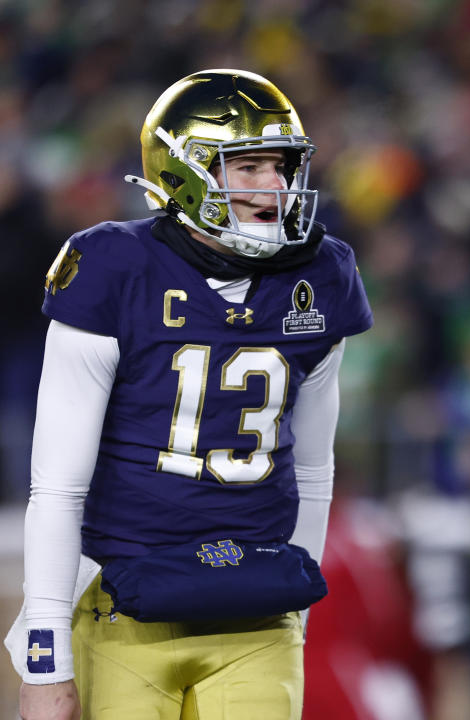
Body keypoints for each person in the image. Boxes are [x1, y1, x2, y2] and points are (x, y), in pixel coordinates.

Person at [4, 69, 373, 720]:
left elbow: (314, 468)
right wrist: (45, 658)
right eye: (248, 166)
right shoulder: (112, 267)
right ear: (185, 173)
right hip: (126, 603)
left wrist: (299, 612)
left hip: (258, 613)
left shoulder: (320, 275)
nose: (276, 186)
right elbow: (57, 487)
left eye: (282, 166)